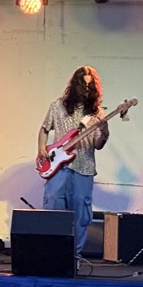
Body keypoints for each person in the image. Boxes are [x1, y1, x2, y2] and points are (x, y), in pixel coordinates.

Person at [37, 65, 110, 270]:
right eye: (83, 84)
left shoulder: (97, 114)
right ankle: (52, 255)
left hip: (84, 167)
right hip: (58, 167)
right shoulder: (57, 105)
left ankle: (74, 257)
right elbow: (44, 129)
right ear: (75, 84)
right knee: (53, 208)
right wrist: (41, 147)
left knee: (81, 215)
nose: (86, 89)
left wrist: (104, 132)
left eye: (90, 86)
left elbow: (98, 144)